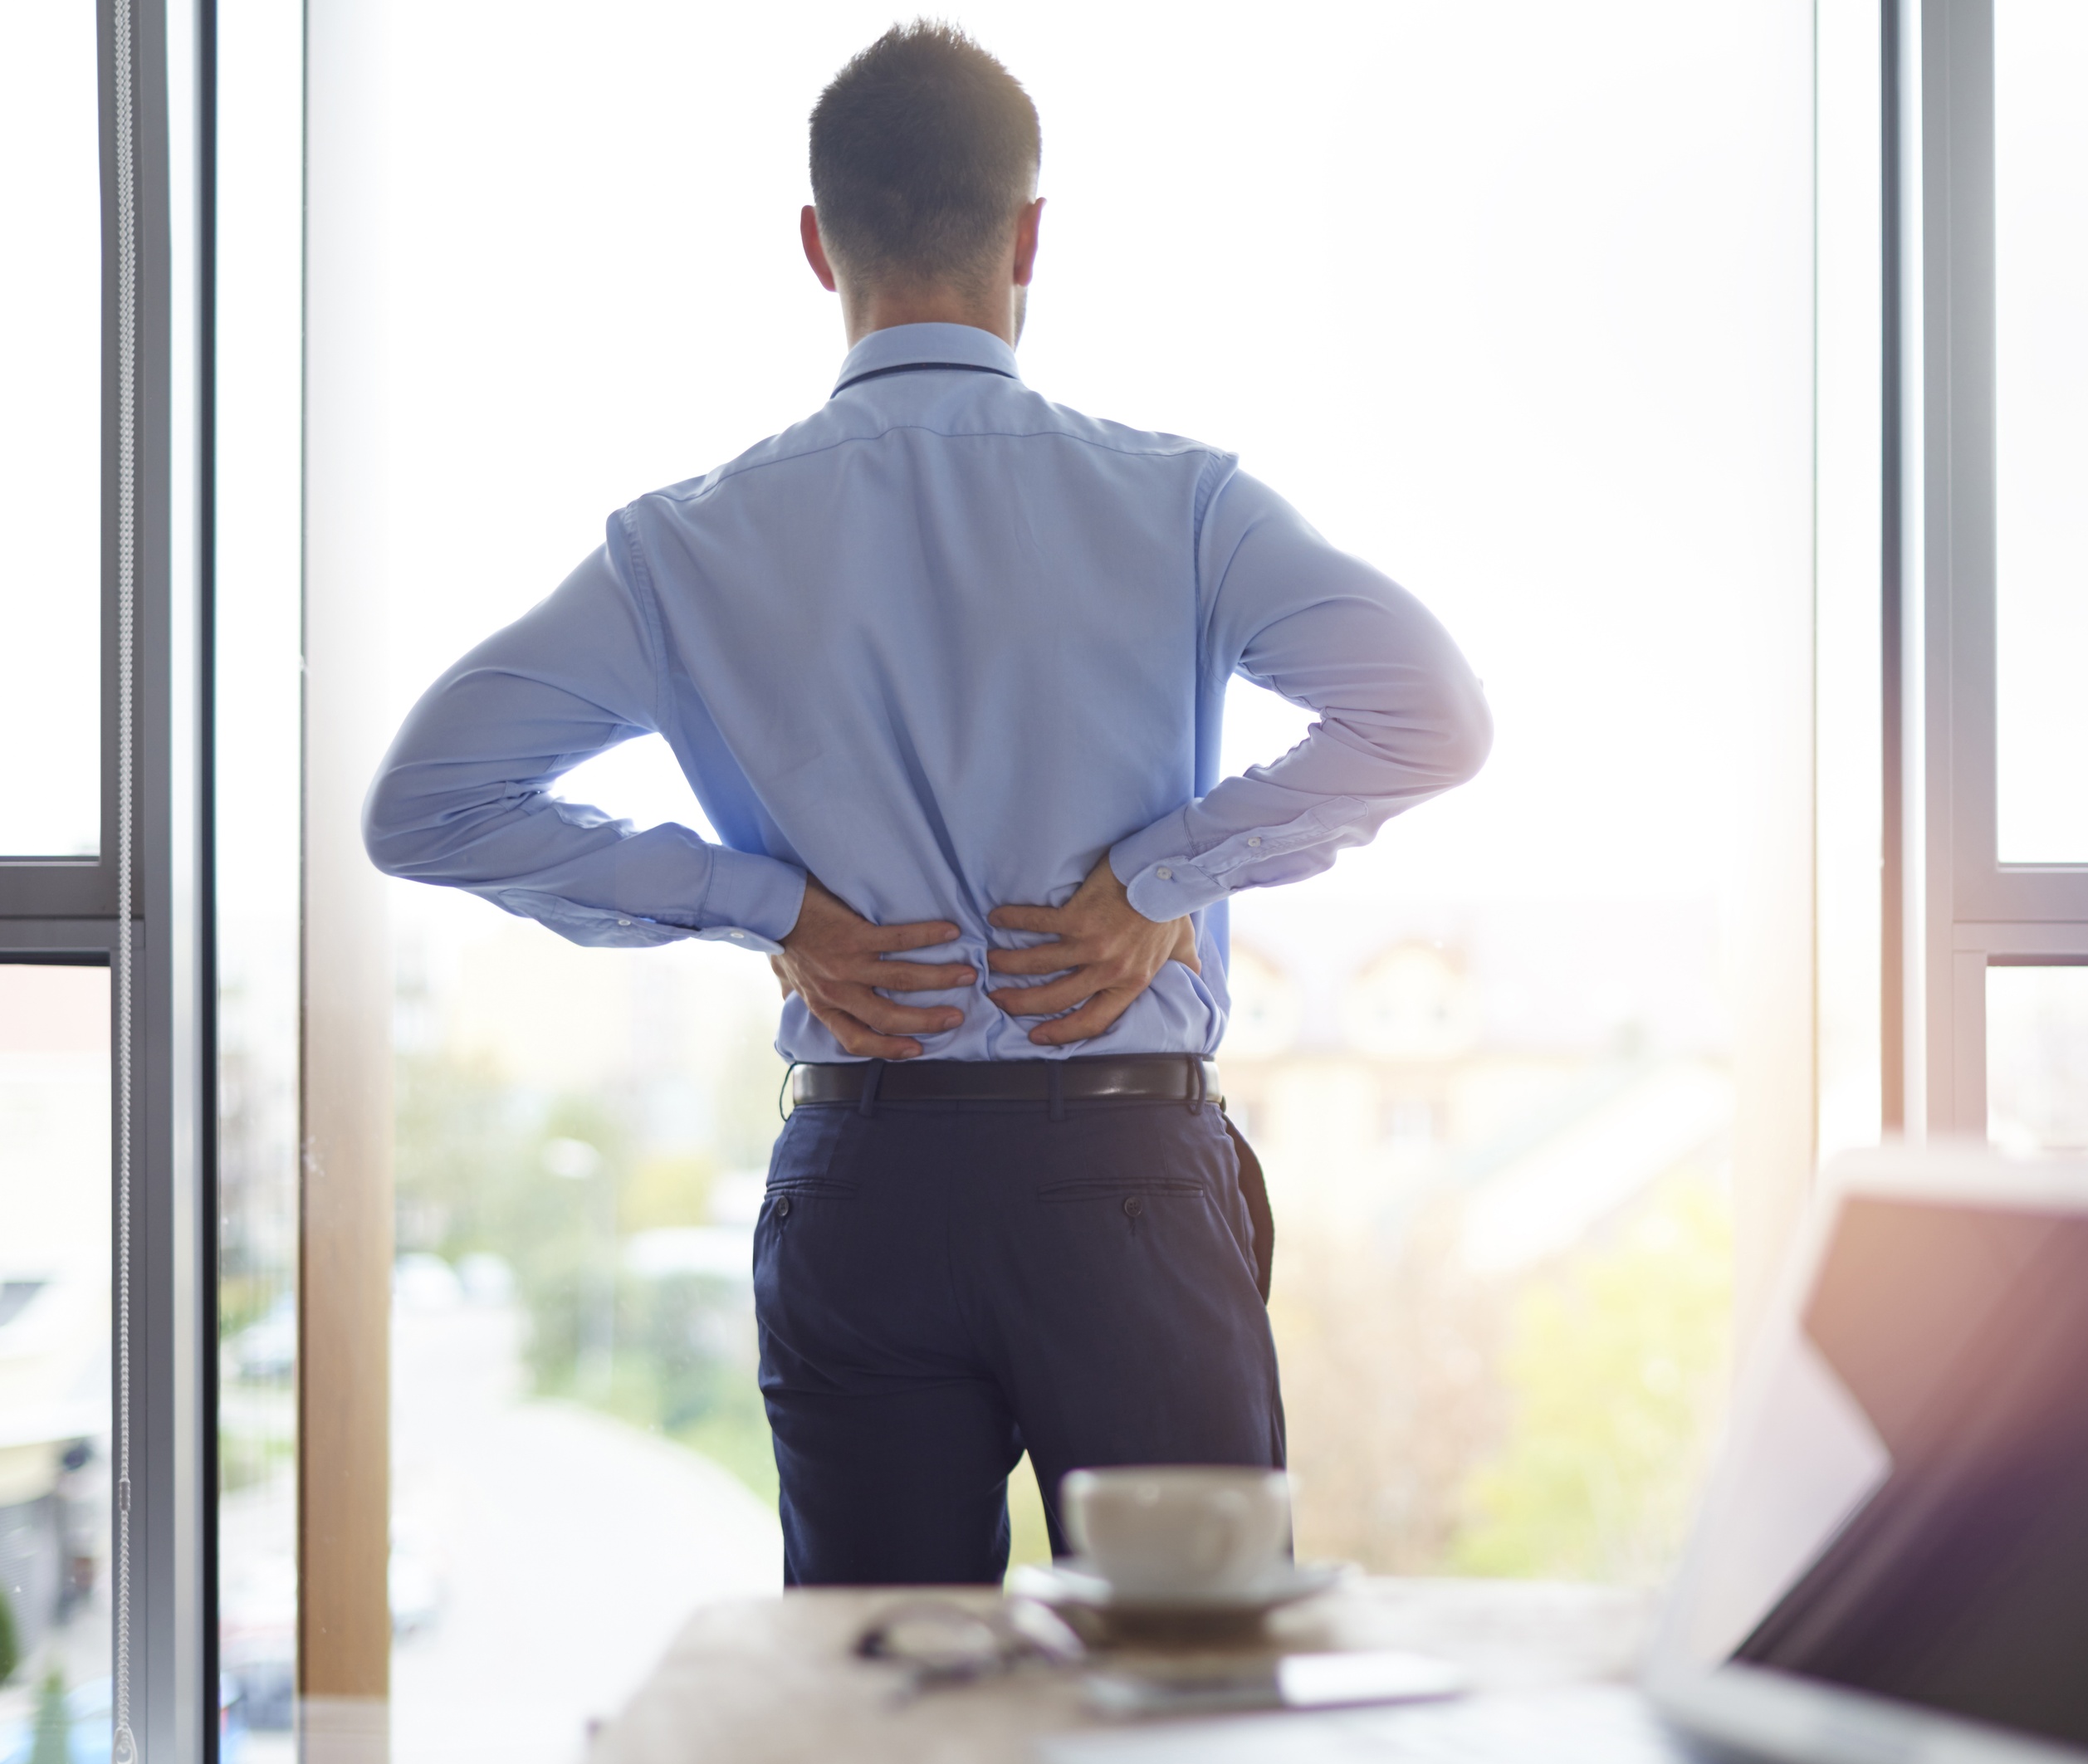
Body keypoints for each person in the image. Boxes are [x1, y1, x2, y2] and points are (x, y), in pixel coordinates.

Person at [360, 21, 1490, 1586]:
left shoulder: (687, 545)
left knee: (877, 1712)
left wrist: (769, 911)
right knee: (1191, 1691)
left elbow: (425, 804)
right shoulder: (1180, 505)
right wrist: (1156, 881)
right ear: (1031, 237)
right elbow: (1428, 712)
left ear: (818, 247)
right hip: (1128, 1187)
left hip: (867, 1188)